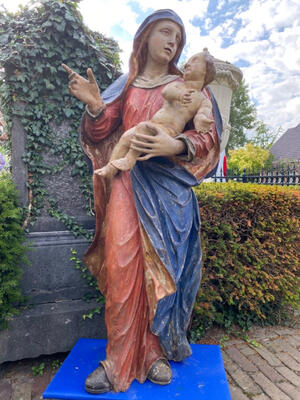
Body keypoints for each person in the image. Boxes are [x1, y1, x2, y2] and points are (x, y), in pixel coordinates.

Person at [62, 9, 222, 394]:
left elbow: (210, 141)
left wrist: (176, 144)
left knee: (161, 275)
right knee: (121, 267)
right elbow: (103, 129)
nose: (172, 42)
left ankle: (153, 353)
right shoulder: (128, 84)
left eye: (178, 38)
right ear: (146, 36)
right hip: (128, 185)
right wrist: (96, 105)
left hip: (170, 197)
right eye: (165, 33)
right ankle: (116, 358)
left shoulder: (191, 88)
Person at [94, 51, 216, 179]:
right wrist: (179, 95)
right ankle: (110, 168)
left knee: (143, 127)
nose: (187, 64)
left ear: (205, 72)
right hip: (154, 124)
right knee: (125, 137)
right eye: (188, 61)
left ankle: (130, 159)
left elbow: (201, 115)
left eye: (194, 60)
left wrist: (201, 120)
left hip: (169, 131)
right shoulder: (177, 86)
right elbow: (166, 93)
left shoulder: (203, 100)